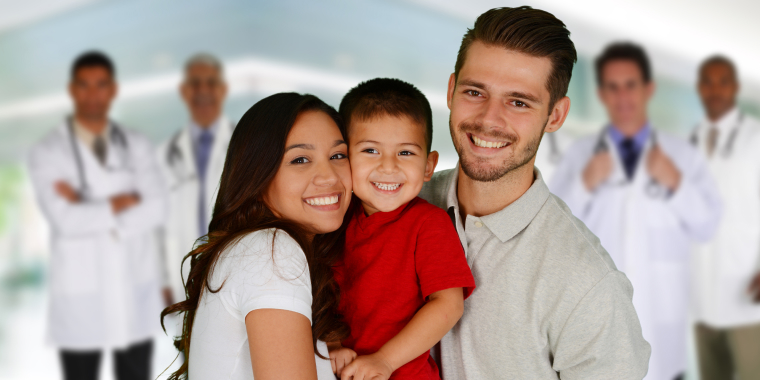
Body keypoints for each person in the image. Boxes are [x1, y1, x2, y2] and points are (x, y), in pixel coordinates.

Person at [418, 7, 651, 379]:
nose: (489, 119)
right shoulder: (395, 203)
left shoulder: (588, 285)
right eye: (475, 92)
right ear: (451, 90)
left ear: (556, 116)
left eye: (518, 102)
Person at [550, 43, 722, 380]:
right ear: (601, 94)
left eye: (630, 85)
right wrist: (585, 183)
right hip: (597, 310)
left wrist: (675, 182)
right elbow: (552, 225)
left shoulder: (682, 156)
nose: (622, 96)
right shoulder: (581, 155)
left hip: (663, 311)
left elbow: (708, 226)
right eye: (612, 87)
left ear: (648, 89)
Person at [161, 93, 353, 380]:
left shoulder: (254, 248)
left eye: (338, 155)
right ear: (258, 174)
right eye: (300, 159)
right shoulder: (271, 249)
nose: (329, 176)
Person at [28, 51, 167, 380]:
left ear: (114, 90)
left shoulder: (136, 144)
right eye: (84, 86)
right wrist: (124, 201)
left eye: (101, 85)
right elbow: (64, 219)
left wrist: (87, 205)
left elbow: (157, 207)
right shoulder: (48, 151)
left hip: (135, 291)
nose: (93, 95)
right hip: (81, 299)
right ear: (72, 90)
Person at [327, 78, 476, 380]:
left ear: (428, 166)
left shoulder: (428, 224)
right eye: (370, 150)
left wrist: (384, 360)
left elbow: (448, 305)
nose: (388, 167)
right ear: (343, 158)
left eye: (405, 153)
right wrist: (329, 343)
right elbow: (319, 293)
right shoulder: (333, 221)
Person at [691, 55, 760, 380]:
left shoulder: (755, 137)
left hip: (748, 291)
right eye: (708, 81)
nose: (715, 89)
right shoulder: (693, 139)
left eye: (723, 81)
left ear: (735, 87)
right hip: (702, 293)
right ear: (699, 88)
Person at [157, 53, 233, 305]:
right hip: (182, 277)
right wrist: (162, 280)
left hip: (232, 272)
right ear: (184, 91)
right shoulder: (164, 154)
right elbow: (154, 225)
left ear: (223, 90)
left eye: (211, 83)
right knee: (187, 342)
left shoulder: (242, 144)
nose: (203, 91)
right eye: (195, 84)